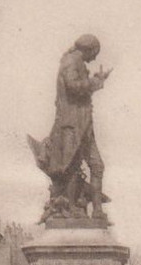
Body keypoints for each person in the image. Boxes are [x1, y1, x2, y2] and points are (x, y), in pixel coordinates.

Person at [29, 34, 111, 220]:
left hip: (83, 124)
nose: (95, 58)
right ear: (88, 49)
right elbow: (73, 86)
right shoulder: (71, 61)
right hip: (72, 125)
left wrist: (95, 80)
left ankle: (97, 211)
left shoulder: (77, 62)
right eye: (95, 53)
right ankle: (73, 207)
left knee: (97, 166)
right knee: (72, 166)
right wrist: (95, 83)